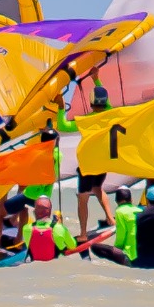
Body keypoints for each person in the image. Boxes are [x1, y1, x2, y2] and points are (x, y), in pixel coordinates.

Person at [57, 86, 116, 242]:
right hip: (102, 163)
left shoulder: (86, 120)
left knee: (83, 198)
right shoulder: (109, 115)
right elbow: (108, 102)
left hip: (87, 165)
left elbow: (62, 126)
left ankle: (83, 233)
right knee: (97, 188)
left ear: (91, 102)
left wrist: (61, 108)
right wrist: (96, 79)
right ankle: (110, 218)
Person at [25, 196, 77, 261]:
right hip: (55, 264)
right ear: (49, 211)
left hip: (35, 263)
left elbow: (39, 244)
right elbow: (72, 246)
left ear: (35, 212)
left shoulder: (26, 229)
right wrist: (60, 225)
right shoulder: (59, 228)